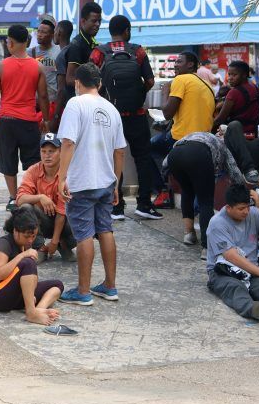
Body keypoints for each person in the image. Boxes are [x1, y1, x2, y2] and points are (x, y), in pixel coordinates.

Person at [57, 63, 126, 306]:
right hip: (106, 181)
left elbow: (67, 142)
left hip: (82, 181)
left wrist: (61, 177)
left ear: (77, 83)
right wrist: (116, 182)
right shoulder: (112, 109)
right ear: (99, 84)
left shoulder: (75, 104)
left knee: (85, 234)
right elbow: (119, 151)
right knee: (105, 230)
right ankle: (110, 286)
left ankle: (83, 291)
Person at [89, 15, 161, 221]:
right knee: (143, 158)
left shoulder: (99, 52)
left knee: (112, 159)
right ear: (127, 31)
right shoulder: (137, 51)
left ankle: (116, 207)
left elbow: (90, 81)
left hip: (110, 116)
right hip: (136, 115)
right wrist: (138, 94)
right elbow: (149, 80)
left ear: (110, 31)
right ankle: (144, 204)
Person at [0, 24, 50, 209]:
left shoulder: (1, 66)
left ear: (10, 42)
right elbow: (43, 96)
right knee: (32, 161)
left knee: (8, 159)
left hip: (7, 121)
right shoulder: (37, 67)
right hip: (29, 122)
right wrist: (45, 119)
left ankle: (13, 197)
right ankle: (31, 195)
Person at [205, 184, 259, 321]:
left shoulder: (252, 212)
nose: (246, 211)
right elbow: (232, 257)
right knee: (235, 287)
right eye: (241, 209)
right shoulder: (217, 223)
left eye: (247, 206)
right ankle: (252, 309)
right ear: (228, 208)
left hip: (252, 270)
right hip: (223, 271)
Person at [166, 131, 245, 260]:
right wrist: (243, 190)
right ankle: (207, 247)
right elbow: (233, 169)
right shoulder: (222, 145)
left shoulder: (196, 136)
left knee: (187, 191)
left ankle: (189, 234)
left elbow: (166, 163)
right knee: (205, 201)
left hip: (174, 155)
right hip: (198, 156)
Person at [0, 207, 63, 325]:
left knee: (57, 285)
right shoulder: (4, 244)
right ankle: (31, 313)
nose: (30, 240)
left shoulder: (24, 245)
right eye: (27, 236)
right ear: (15, 231)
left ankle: (39, 309)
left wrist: (31, 295)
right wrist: (22, 256)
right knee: (28, 262)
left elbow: (29, 277)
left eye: (33, 236)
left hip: (13, 295)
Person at [154, 51, 216, 202]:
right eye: (175, 62)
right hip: (205, 139)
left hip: (182, 138)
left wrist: (164, 92)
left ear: (190, 64)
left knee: (148, 148)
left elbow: (167, 113)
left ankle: (162, 188)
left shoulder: (181, 79)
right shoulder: (206, 84)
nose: (176, 64)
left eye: (179, 62)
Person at [16, 133, 77, 262]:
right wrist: (40, 197)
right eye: (43, 151)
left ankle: (64, 245)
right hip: (42, 221)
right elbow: (20, 199)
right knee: (25, 208)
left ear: (61, 152)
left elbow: (61, 213)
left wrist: (54, 242)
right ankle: (40, 247)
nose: (47, 155)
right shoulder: (33, 170)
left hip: (64, 221)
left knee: (80, 216)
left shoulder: (68, 173)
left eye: (51, 151)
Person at [64, 2, 102, 107]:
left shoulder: (92, 42)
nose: (97, 24)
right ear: (83, 22)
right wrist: (96, 86)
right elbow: (70, 79)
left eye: (99, 21)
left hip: (89, 102)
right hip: (80, 104)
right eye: (94, 21)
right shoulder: (77, 45)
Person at [28, 14, 60, 116]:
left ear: (52, 35)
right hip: (35, 104)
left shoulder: (59, 51)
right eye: (39, 31)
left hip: (52, 102)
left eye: (44, 32)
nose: (40, 34)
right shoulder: (30, 53)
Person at [50, 19, 74, 132]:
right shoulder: (73, 50)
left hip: (66, 109)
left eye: (54, 30)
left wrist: (56, 117)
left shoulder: (61, 56)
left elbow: (61, 89)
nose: (54, 33)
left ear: (59, 32)